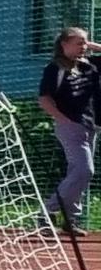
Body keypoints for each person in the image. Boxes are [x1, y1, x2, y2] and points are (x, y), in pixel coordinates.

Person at [42, 25, 96, 235]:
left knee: (78, 173)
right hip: (69, 127)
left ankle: (70, 220)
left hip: (89, 126)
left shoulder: (87, 65)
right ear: (64, 45)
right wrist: (65, 121)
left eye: (85, 43)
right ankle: (48, 213)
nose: (83, 47)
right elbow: (44, 99)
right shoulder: (55, 68)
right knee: (84, 171)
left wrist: (89, 44)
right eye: (79, 43)